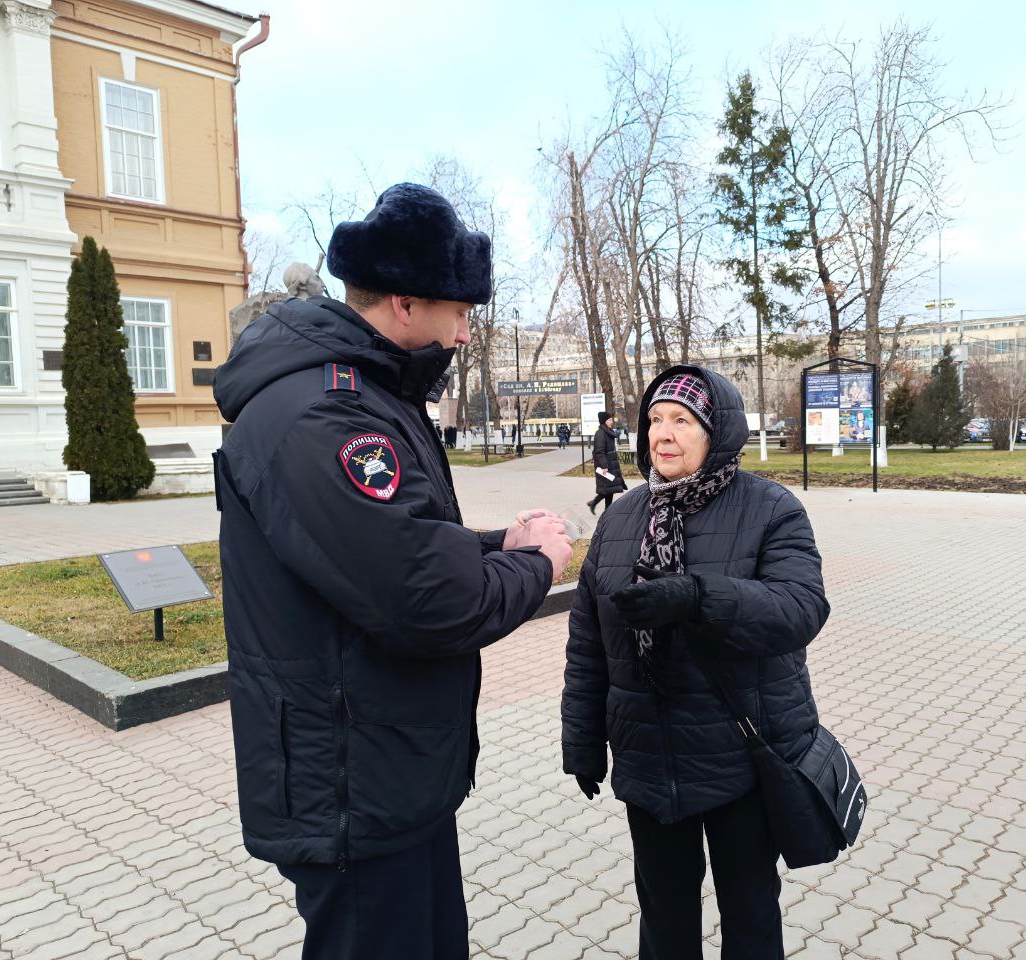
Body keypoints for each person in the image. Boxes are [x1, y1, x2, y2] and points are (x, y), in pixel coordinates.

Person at [213, 183, 573, 960]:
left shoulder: (360, 391)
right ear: (407, 305)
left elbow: (399, 543)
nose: (467, 334)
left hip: (386, 771)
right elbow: (431, 601)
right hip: (353, 784)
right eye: (461, 313)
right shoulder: (324, 414)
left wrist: (497, 539)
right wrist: (538, 563)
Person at [562, 366, 831, 959]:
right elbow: (588, 642)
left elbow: (801, 608)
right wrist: (581, 739)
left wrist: (697, 596)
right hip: (650, 759)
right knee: (663, 913)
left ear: (718, 432)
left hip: (740, 754)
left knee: (750, 909)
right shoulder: (622, 519)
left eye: (682, 421)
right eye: (655, 420)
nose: (664, 434)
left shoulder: (770, 508)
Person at [587, 411, 626, 515]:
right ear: (604, 421)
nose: (611, 421)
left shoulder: (607, 431)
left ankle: (601, 507)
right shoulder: (600, 433)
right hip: (605, 465)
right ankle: (604, 510)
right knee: (607, 488)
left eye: (611, 419)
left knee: (610, 488)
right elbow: (599, 451)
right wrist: (604, 466)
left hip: (611, 463)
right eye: (609, 420)